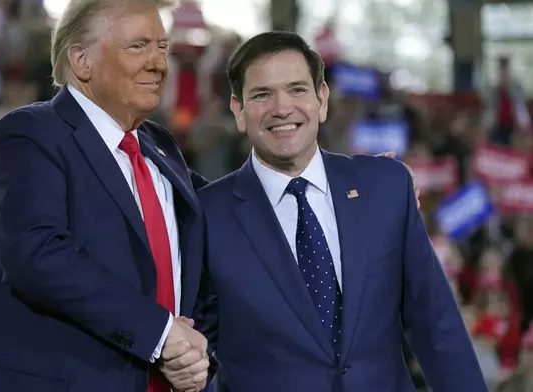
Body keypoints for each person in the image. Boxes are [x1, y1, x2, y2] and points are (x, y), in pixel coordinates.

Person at [186, 31, 486, 391]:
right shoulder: (207, 214)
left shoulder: (386, 187)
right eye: (262, 94)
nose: (282, 108)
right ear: (238, 110)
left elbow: (436, 325)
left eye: (297, 89)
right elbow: (194, 352)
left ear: (322, 99)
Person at [0, 0, 210, 391]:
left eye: (162, 47)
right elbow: (38, 254)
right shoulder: (30, 133)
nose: (158, 62)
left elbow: (206, 261)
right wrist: (161, 333)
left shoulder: (162, 150)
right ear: (82, 61)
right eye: (138, 46)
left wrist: (198, 358)